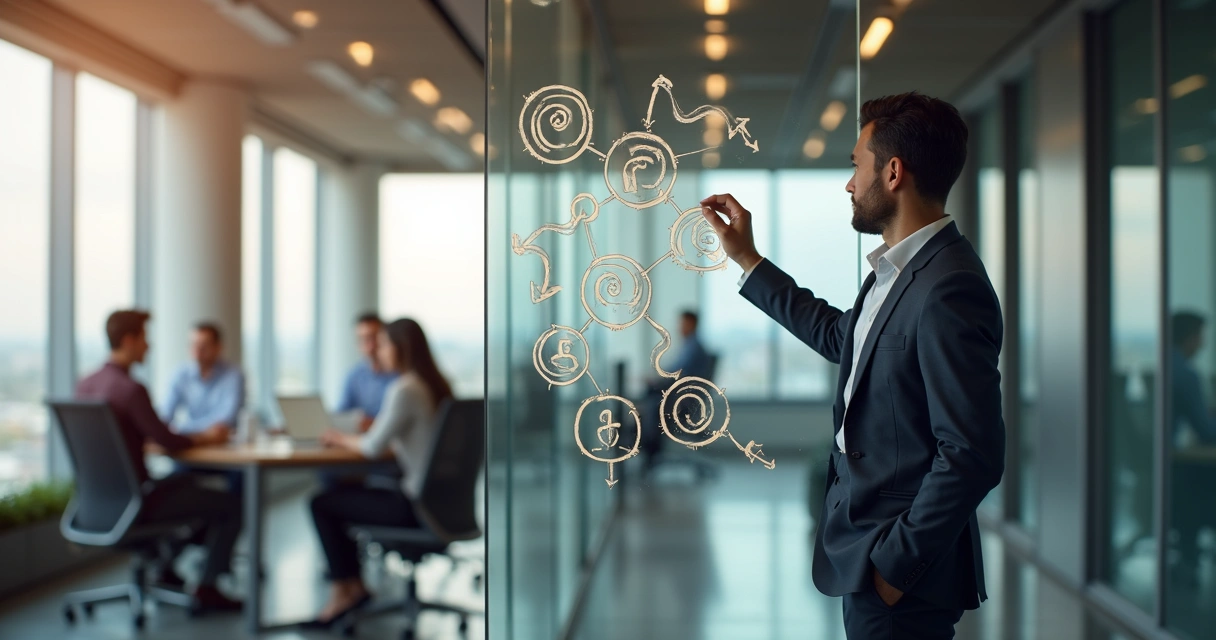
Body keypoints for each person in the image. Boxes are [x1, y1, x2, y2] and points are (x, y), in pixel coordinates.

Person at [700, 92, 1005, 639]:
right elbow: (840, 337)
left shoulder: (948, 286)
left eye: (855, 166)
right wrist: (748, 260)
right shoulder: (896, 273)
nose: (848, 184)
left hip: (900, 572)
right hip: (868, 550)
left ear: (892, 172)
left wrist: (895, 567)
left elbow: (972, 453)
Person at [75, 310, 243, 612]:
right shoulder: (130, 390)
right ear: (129, 340)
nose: (148, 347)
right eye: (144, 339)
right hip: (138, 502)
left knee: (187, 482)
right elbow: (169, 440)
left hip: (96, 502)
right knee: (230, 505)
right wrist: (205, 438)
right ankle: (207, 588)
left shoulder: (85, 385)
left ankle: (165, 568)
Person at [304, 318, 452, 628]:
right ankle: (351, 587)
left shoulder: (405, 388)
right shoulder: (436, 384)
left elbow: (372, 447)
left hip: (414, 506)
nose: (378, 351)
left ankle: (345, 590)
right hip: (442, 505)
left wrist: (338, 437)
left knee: (321, 502)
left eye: (383, 344)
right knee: (339, 494)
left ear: (400, 348)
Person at [640, 311, 715, 468]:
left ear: (692, 324)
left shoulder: (693, 348)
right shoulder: (690, 345)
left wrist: (656, 379)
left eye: (683, 324)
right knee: (651, 402)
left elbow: (677, 373)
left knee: (651, 408)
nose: (680, 328)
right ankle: (650, 454)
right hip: (684, 399)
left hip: (684, 403)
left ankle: (651, 456)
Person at [161, 321, 245, 436]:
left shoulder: (233, 375)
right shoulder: (180, 374)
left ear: (218, 347)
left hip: (224, 447)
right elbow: (165, 415)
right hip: (190, 446)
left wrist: (180, 428)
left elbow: (226, 419)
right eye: (193, 345)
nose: (198, 351)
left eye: (204, 346)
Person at [337, 313, 401, 429]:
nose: (370, 346)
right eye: (363, 339)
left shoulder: (402, 377)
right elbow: (342, 414)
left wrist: (374, 423)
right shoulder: (354, 376)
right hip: (363, 439)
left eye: (373, 337)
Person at [1170, 312, 1216, 445]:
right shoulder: (1186, 375)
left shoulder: (1162, 367)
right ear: (1191, 339)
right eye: (1200, 337)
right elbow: (1206, 431)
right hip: (1173, 459)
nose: (1202, 345)